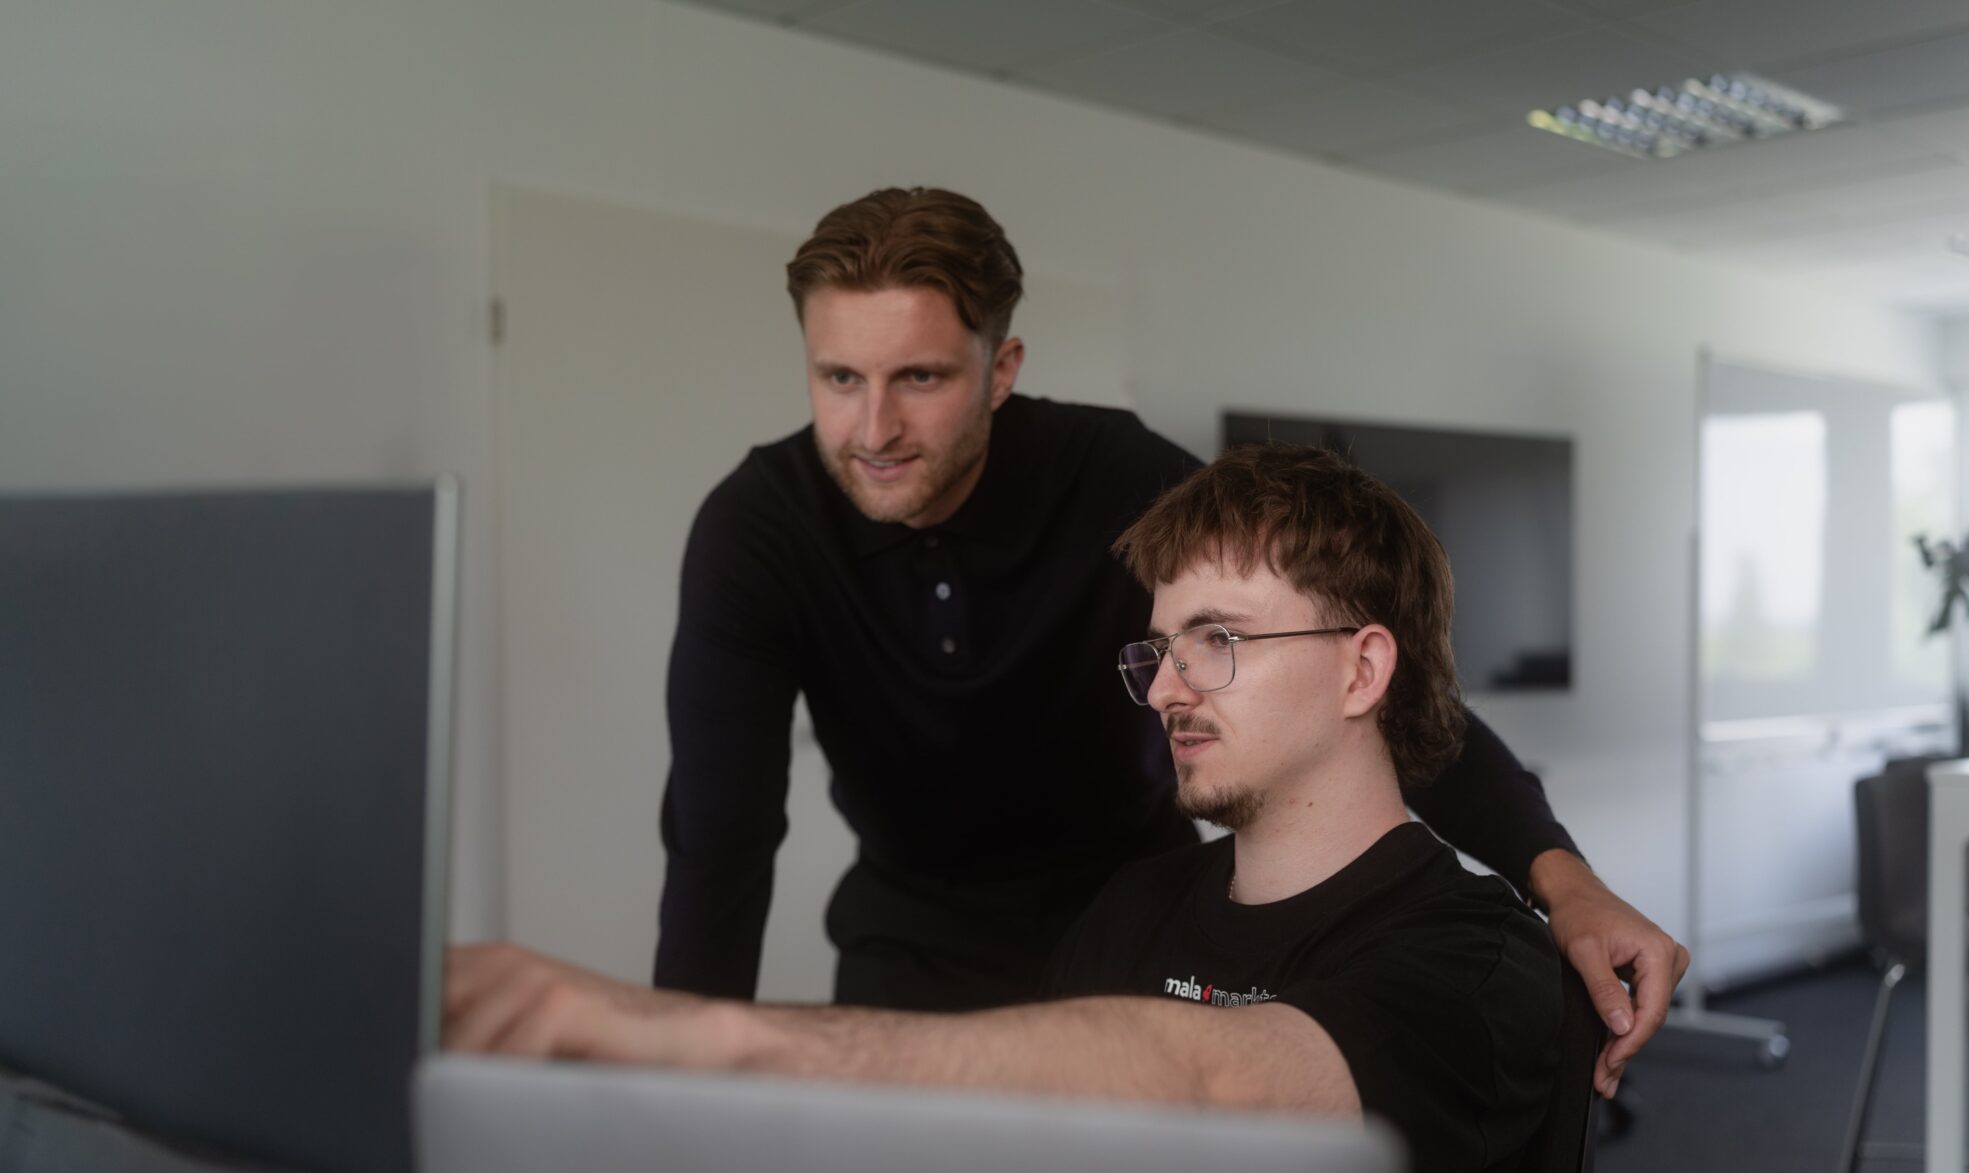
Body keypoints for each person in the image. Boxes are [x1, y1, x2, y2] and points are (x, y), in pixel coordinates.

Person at [448, 443, 1562, 1173]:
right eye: (1160, 648)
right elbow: (1024, 1169)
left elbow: (1214, 1081)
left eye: (1216, 641)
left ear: (1363, 672)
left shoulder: (1479, 963)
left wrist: (697, 1036)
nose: (1166, 687)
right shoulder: (1133, 909)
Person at [657, 185, 1680, 1097]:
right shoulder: (758, 529)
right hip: (910, 942)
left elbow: (1362, 675)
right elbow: (718, 837)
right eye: (838, 379)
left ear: (1000, 368)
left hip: (1130, 922)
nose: (872, 428)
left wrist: (1564, 882)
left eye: (918, 380)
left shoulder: (1112, 474)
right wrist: (680, 1081)